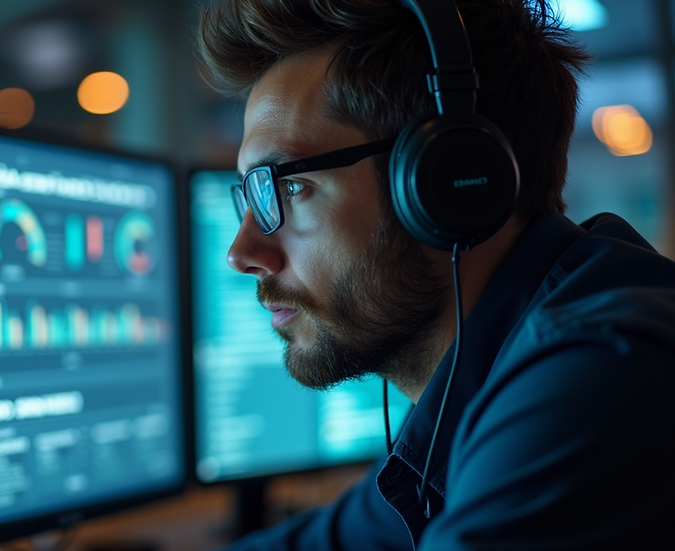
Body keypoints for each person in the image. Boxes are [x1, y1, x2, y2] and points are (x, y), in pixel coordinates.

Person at [196, 0, 675, 549]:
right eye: (251, 195)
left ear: (449, 181)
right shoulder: (478, 387)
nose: (241, 252)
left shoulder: (597, 381)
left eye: (288, 187)